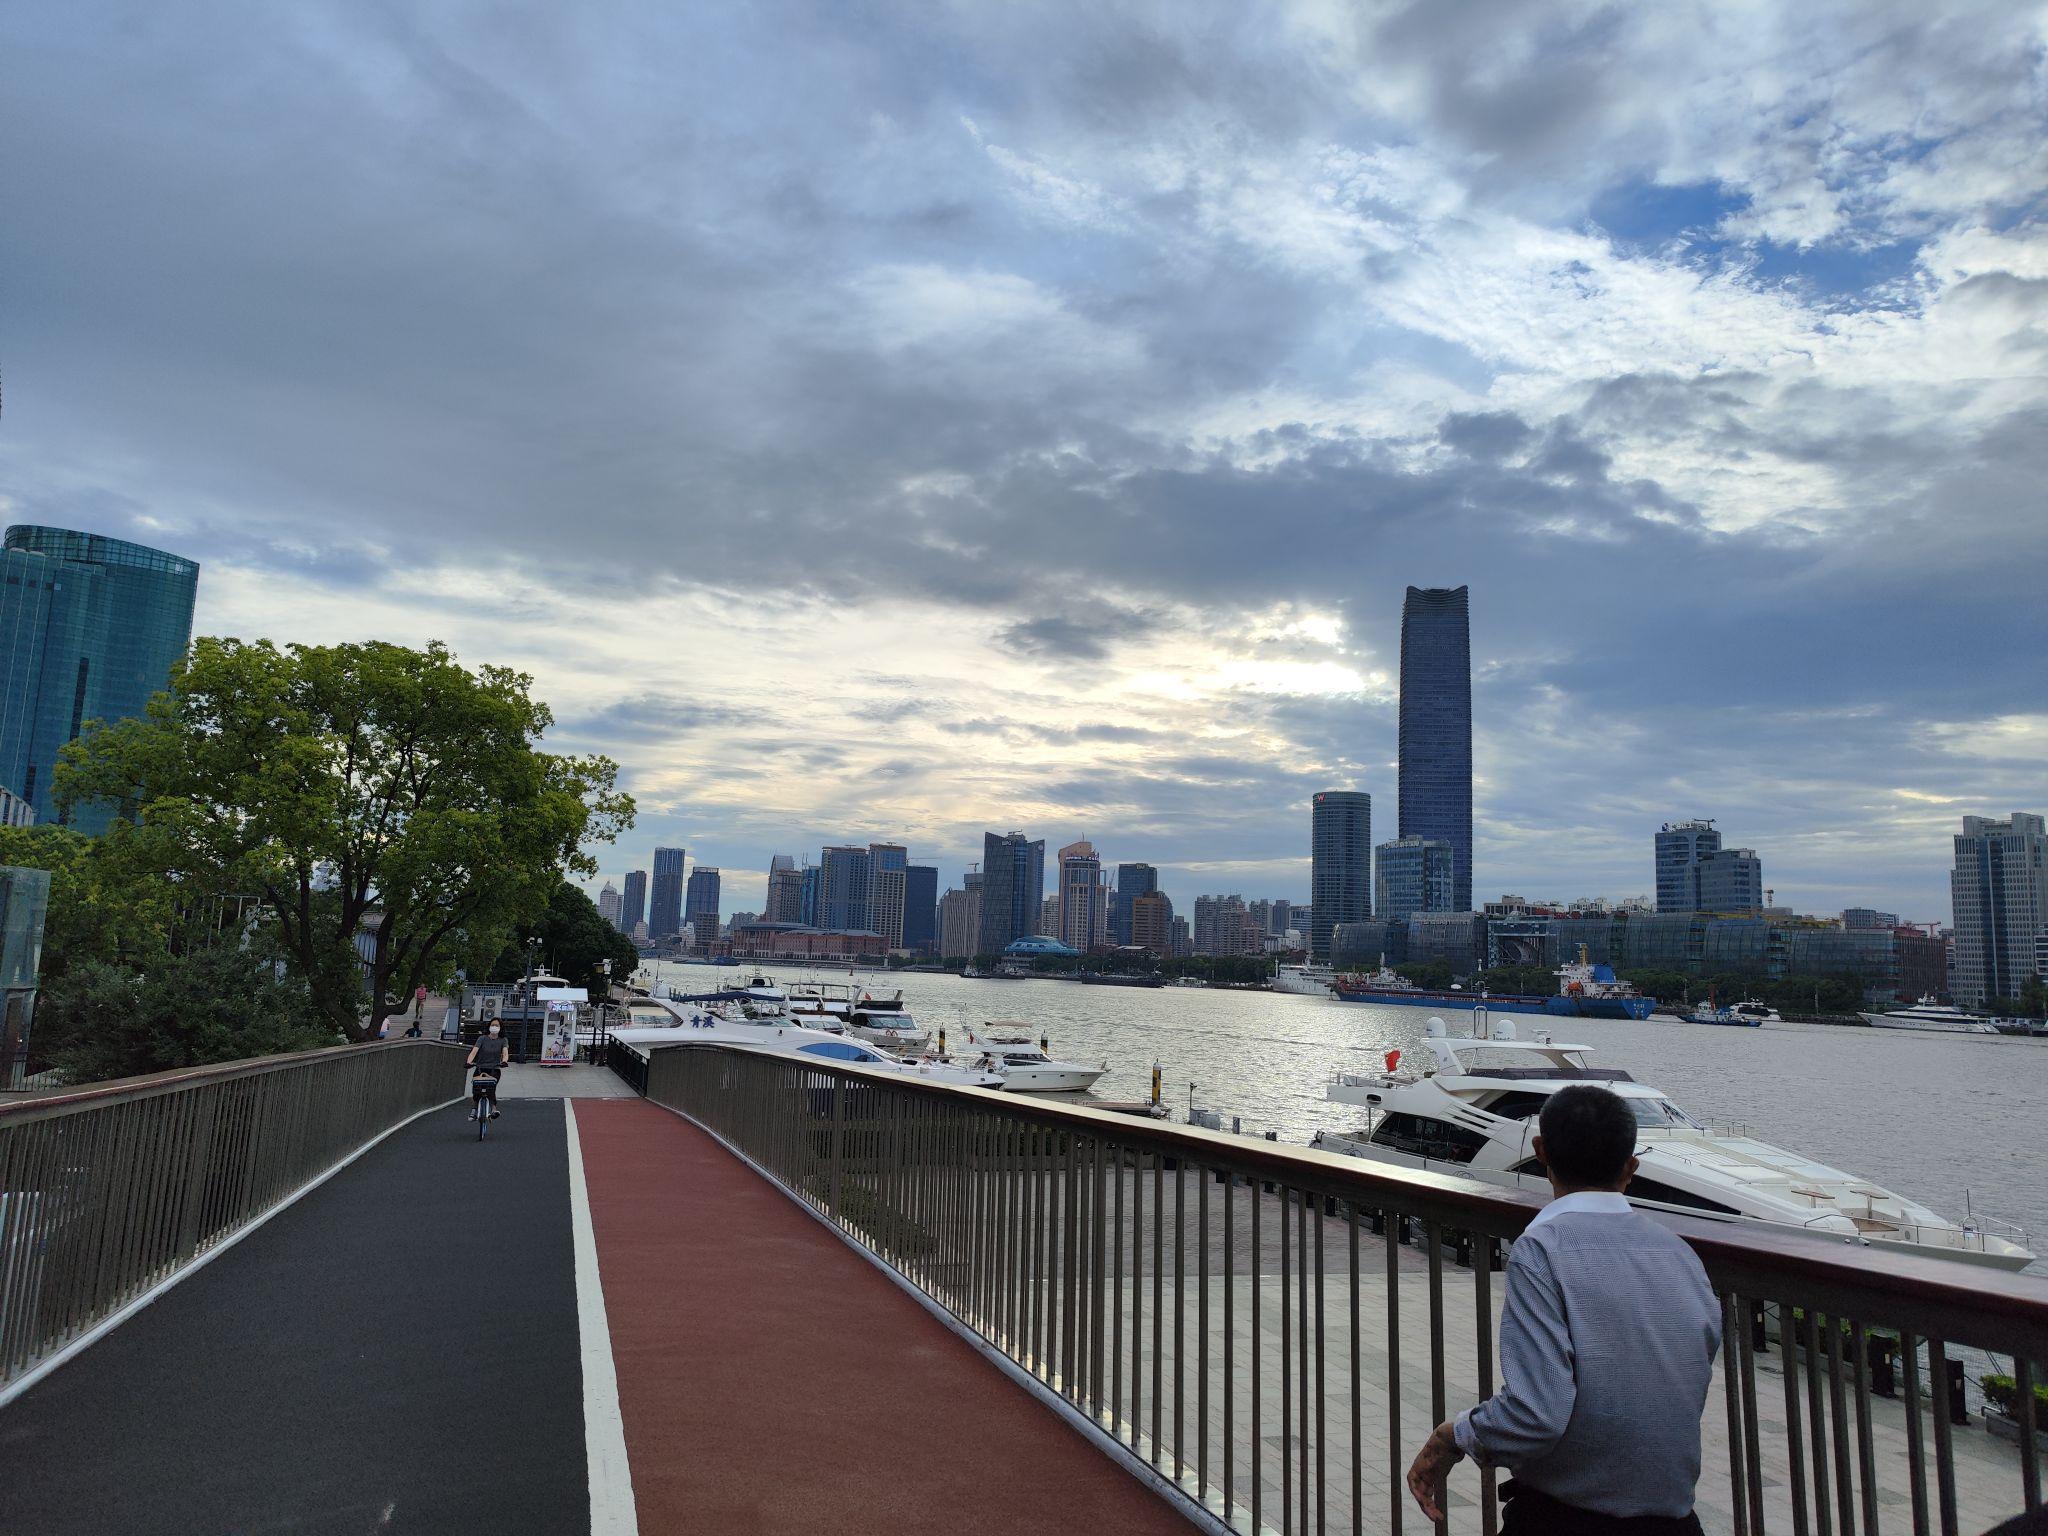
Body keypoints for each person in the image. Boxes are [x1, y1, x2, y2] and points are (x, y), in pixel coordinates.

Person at [1406, 1084, 1722, 1535]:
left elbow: (1537, 1415)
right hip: (1676, 1522)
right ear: (1631, 1167)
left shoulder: (1543, 1249)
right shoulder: (1680, 1255)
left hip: (1564, 1520)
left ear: (1540, 1152)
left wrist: (1452, 1436)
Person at [466, 1020, 508, 1120]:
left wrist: (504, 1061)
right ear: (489, 1027)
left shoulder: (503, 1040)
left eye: (496, 1025)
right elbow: (474, 1051)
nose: (494, 1027)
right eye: (492, 1025)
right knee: (476, 1089)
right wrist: (469, 1062)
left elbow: (505, 1052)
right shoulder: (482, 1038)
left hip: (494, 1069)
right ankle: (474, 1110)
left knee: (491, 1089)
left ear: (500, 1028)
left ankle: (494, 1109)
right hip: (480, 1067)